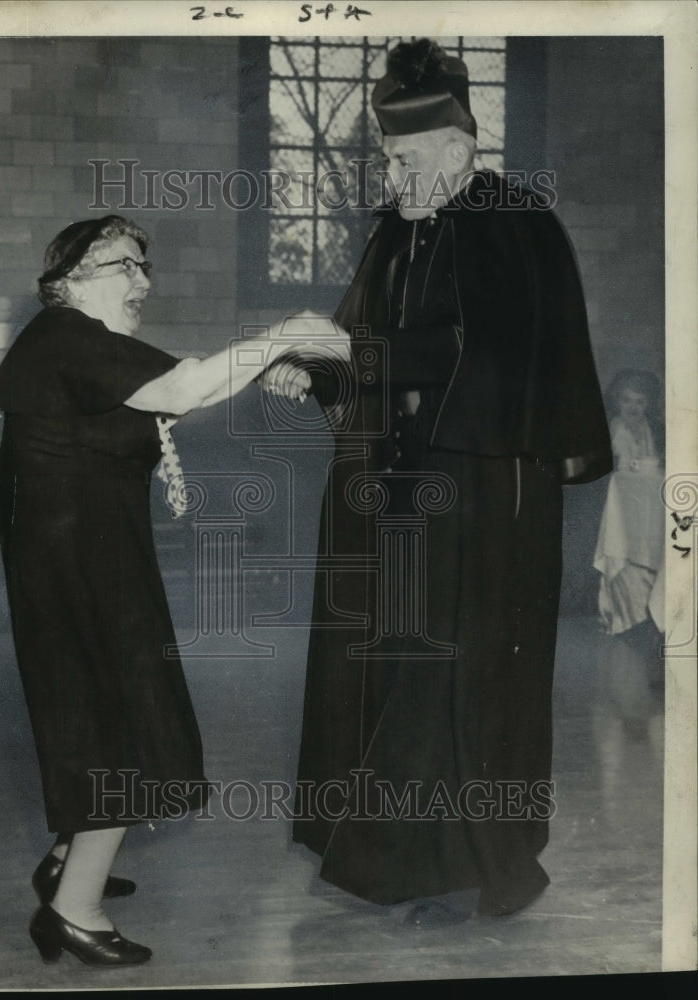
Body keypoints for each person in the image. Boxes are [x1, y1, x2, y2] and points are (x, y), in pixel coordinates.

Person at [268, 39, 613, 921]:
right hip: (405, 493)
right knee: (401, 669)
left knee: (462, 682)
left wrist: (357, 352)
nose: (392, 173)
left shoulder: (511, 219)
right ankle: (404, 855)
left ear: (460, 151)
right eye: (387, 158)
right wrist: (311, 371)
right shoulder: (397, 230)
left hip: (485, 495)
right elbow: (361, 343)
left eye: (403, 157)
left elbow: (491, 356)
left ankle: (467, 860)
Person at [0, 214, 349, 966]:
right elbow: (183, 384)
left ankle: (68, 863)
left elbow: (179, 397)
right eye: (124, 265)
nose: (142, 281)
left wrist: (266, 360)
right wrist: (286, 334)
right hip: (80, 568)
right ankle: (75, 911)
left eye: (144, 267)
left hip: (84, 561)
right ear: (70, 279)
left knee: (96, 714)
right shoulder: (66, 337)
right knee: (115, 720)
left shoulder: (77, 349)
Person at [593, 369, 665, 636]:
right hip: (613, 495)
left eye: (640, 402)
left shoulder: (652, 428)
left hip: (644, 492)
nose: (633, 408)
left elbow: (654, 459)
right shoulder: (614, 427)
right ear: (616, 401)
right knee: (622, 541)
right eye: (627, 401)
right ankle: (620, 613)